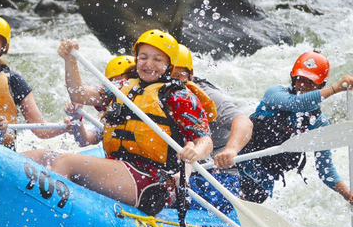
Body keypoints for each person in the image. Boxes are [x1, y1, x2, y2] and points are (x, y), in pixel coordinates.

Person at [34, 29, 212, 215]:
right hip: (119, 169)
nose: (148, 64)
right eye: (143, 57)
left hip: (153, 182)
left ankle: (46, 220)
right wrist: (70, 61)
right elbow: (79, 94)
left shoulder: (179, 96)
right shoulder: (121, 87)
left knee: (67, 162)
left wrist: (195, 151)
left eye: (157, 59)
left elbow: (205, 140)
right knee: (41, 156)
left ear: (169, 64)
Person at [237, 51, 353, 204]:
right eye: (300, 79)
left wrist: (347, 194)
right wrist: (336, 89)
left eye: (310, 81)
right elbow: (296, 104)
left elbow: (326, 171)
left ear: (320, 85)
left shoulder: (318, 123)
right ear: (293, 78)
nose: (303, 85)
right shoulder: (274, 94)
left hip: (261, 184)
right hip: (235, 165)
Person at [170, 44, 253, 213]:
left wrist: (231, 150)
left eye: (180, 76)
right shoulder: (153, 90)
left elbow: (243, 121)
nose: (174, 83)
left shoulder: (207, 96)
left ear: (191, 75)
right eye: (169, 76)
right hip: (176, 165)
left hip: (214, 173)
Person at [0, 14, 64, 148]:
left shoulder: (14, 81)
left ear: (5, 47)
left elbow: (40, 129)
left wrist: (66, 126)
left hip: (4, 150)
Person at [64, 54, 136, 147]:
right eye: (117, 82)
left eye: (127, 81)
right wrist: (77, 117)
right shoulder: (109, 119)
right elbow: (83, 141)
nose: (123, 87)